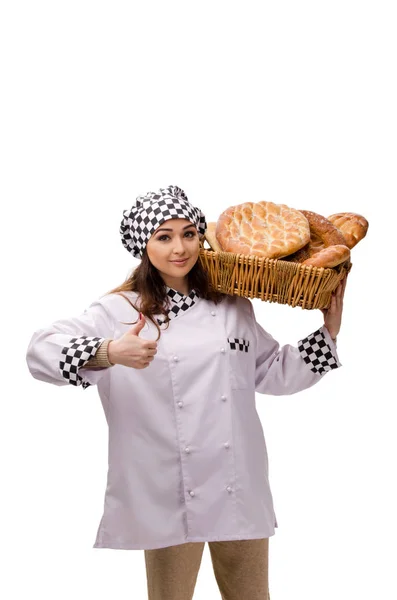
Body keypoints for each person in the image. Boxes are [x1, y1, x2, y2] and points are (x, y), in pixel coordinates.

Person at [26, 184, 347, 600]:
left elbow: (272, 371)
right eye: (164, 236)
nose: (180, 247)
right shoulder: (119, 311)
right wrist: (109, 351)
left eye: (189, 233)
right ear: (144, 246)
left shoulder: (234, 306)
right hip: (169, 489)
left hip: (237, 483)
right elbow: (39, 350)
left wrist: (329, 333)